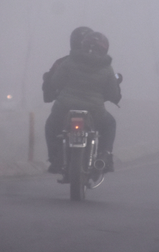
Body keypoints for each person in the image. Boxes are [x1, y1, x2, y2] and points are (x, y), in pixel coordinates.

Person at [45, 31, 121, 173]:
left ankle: (55, 158)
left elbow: (55, 82)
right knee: (110, 124)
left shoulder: (70, 61)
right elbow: (113, 93)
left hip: (64, 108)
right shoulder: (107, 68)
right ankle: (104, 155)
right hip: (95, 111)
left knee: (51, 125)